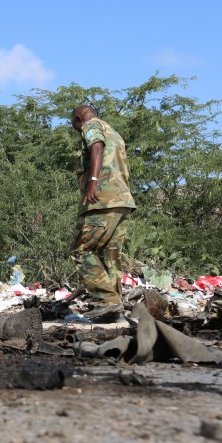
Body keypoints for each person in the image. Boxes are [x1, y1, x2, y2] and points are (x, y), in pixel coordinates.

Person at [70, 105, 136, 319]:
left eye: (74, 124)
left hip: (102, 200)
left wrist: (93, 181)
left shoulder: (91, 126)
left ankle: (107, 300)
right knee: (110, 255)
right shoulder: (114, 132)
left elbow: (96, 146)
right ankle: (114, 310)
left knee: (81, 250)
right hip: (122, 201)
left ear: (79, 119)